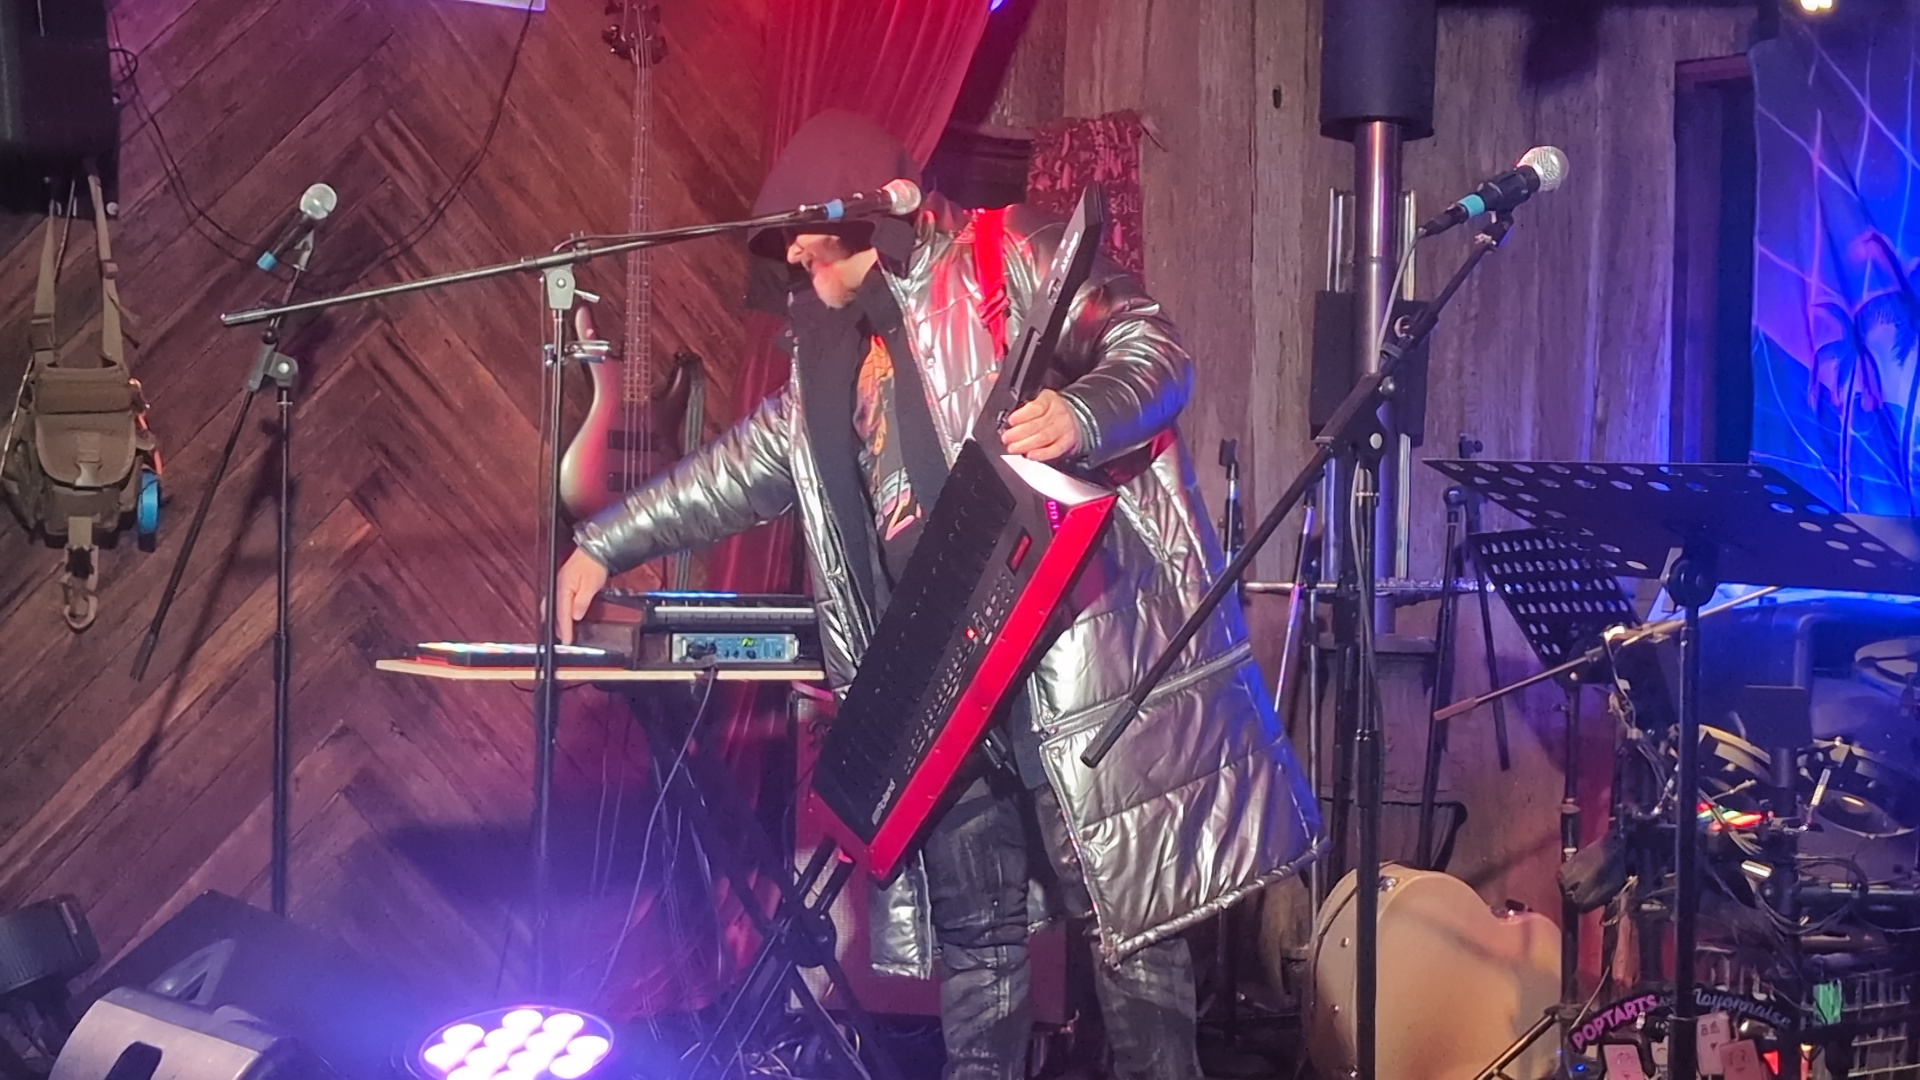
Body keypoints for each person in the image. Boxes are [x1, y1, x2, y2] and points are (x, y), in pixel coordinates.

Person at [555, 110, 1320, 1080]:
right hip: (938, 684)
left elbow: (1155, 347)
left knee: (1128, 933)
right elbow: (735, 472)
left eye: (807, 230)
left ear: (868, 212)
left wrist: (1081, 412)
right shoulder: (823, 358)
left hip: (1065, 657)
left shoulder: (1007, 253)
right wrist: (605, 542)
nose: (793, 252)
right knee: (978, 948)